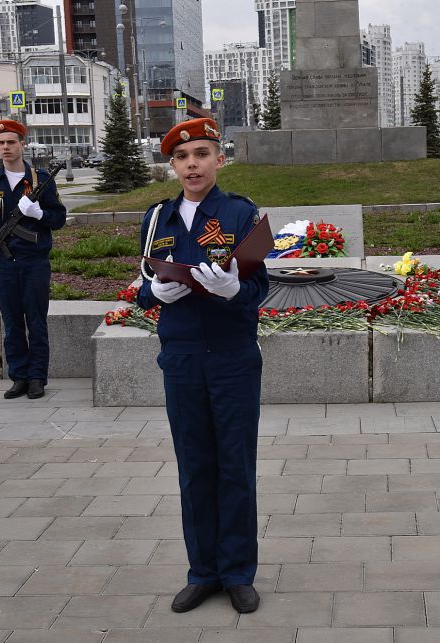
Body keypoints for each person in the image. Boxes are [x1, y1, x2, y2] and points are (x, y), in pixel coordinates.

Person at [136, 117, 267, 614]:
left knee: (235, 467)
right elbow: (144, 285)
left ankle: (237, 572)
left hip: (233, 358)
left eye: (202, 154)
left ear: (219, 159)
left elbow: (259, 287)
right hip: (183, 357)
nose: (193, 164)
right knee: (194, 468)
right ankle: (202, 571)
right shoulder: (157, 219)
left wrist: (235, 289)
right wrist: (155, 291)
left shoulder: (239, 214)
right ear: (171, 165)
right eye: (183, 157)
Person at [0, 119, 67, 400]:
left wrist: (39, 215)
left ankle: (37, 377)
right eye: (1, 143)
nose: (6, 148)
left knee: (36, 321)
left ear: (22, 144)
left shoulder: (39, 180)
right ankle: (19, 377)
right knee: (12, 323)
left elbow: (58, 219)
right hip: (3, 265)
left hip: (34, 263)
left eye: (11, 142)